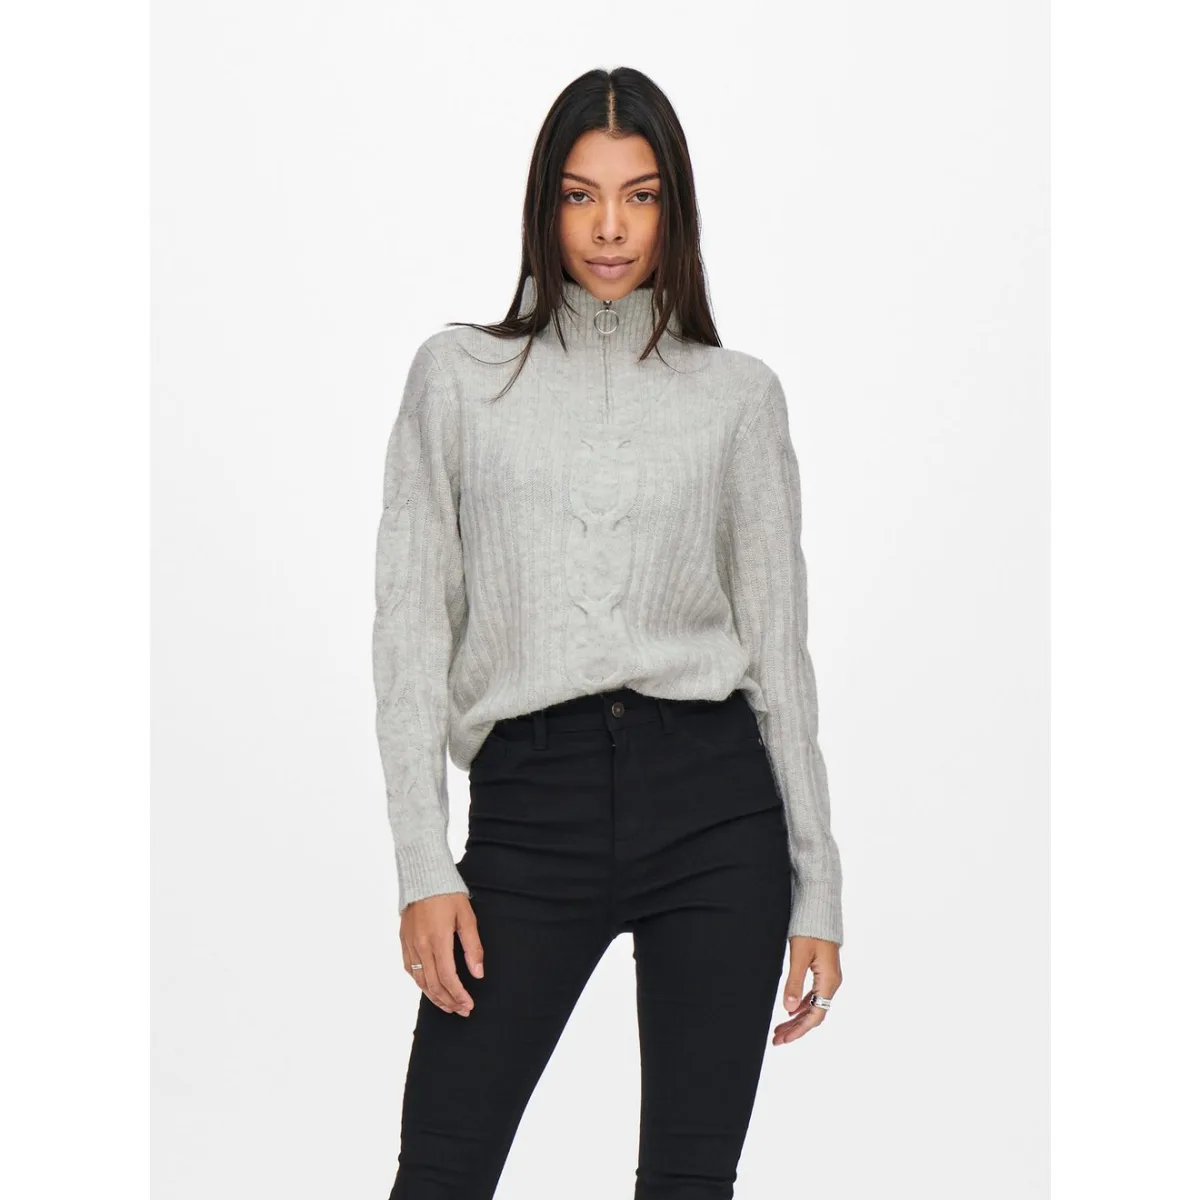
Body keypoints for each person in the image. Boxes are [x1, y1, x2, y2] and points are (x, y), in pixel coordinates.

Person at [373, 65, 845, 1200]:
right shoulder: (458, 379)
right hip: (532, 810)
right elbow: (409, 634)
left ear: (674, 209)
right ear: (545, 205)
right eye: (581, 196)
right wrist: (422, 865)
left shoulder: (738, 396)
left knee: (689, 1182)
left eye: (640, 196)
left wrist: (818, 885)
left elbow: (780, 653)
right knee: (441, 1171)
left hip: (717, 810)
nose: (610, 228)